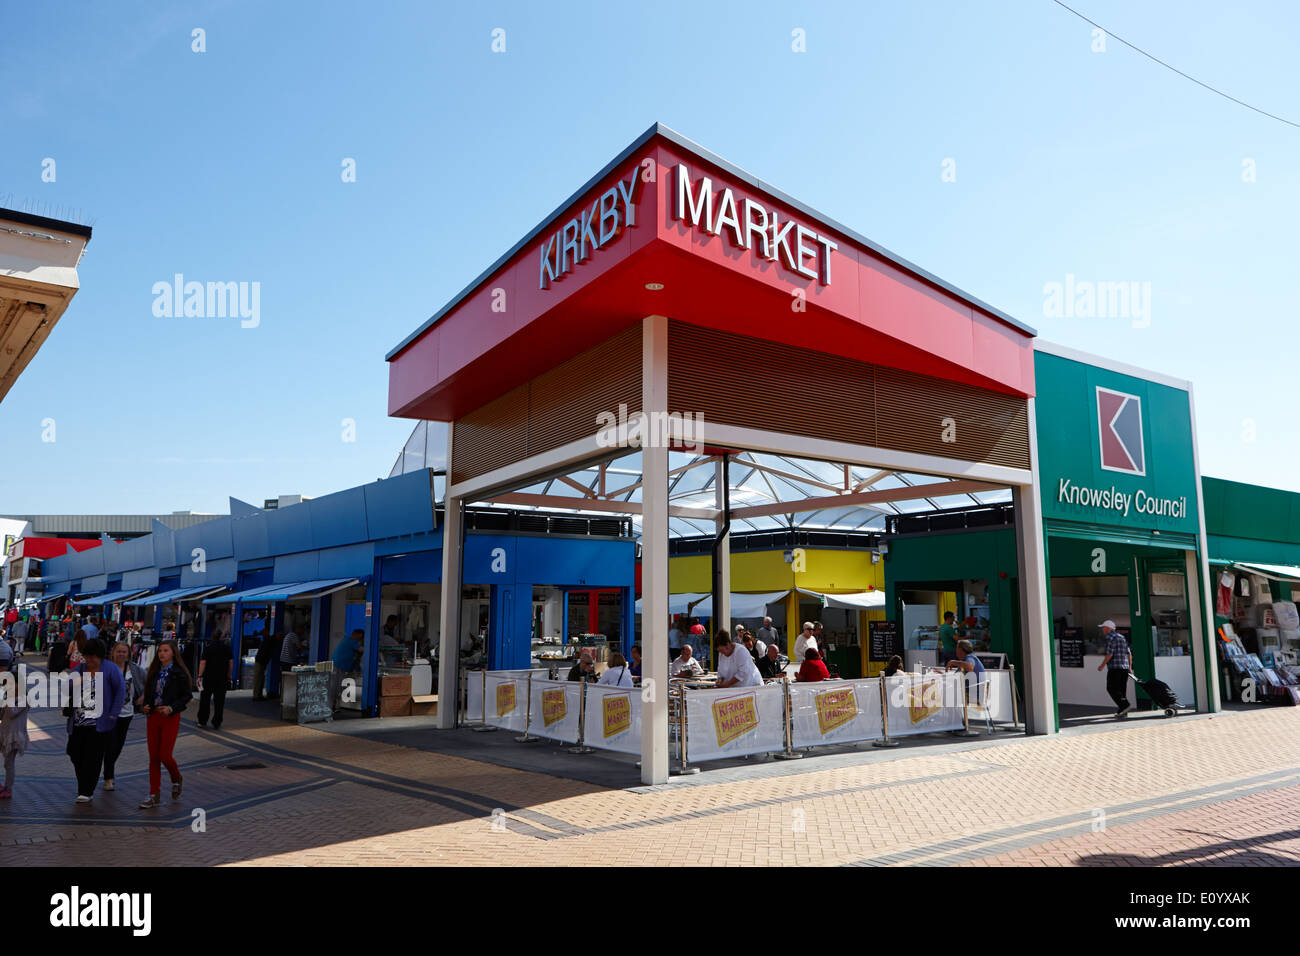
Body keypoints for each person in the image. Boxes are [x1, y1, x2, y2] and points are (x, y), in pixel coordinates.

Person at [66, 638, 126, 804]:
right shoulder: (80, 669)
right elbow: (68, 689)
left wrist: (113, 714)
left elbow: (120, 692)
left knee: (93, 757)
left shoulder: (110, 669)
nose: (90, 660)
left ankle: (86, 790)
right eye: (87, 656)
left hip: (99, 723)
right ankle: (84, 786)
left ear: (100, 656)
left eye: (93, 657)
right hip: (78, 721)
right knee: (74, 753)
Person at [138, 639, 192, 809]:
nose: (162, 653)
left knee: (165, 755)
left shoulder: (179, 672)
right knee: (154, 757)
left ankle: (176, 778)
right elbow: (148, 693)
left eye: (166, 650)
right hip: (153, 716)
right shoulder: (154, 672)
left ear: (173, 653)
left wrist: (171, 708)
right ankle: (154, 794)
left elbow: (186, 696)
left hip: (169, 717)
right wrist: (146, 706)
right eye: (160, 650)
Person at [102, 641, 146, 792]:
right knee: (110, 745)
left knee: (118, 746)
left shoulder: (135, 669)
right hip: (109, 714)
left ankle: (108, 770)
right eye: (119, 651)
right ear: (113, 653)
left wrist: (143, 697)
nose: (121, 654)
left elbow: (148, 683)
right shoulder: (106, 668)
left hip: (127, 713)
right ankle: (109, 777)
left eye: (124, 652)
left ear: (129, 654)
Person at [0, 654, 29, 799]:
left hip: (14, 736)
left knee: (8, 763)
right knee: (6, 762)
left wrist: (8, 697)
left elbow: (12, 713)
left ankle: (8, 787)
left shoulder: (23, 699)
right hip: (4, 732)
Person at [197, 629, 234, 730]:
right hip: (222, 678)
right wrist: (229, 675)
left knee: (205, 699)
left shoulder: (208, 648)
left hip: (208, 677)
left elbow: (203, 662)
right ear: (221, 637)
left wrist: (200, 675)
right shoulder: (227, 648)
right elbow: (231, 663)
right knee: (219, 701)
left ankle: (202, 720)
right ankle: (217, 722)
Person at [1096, 620, 1132, 717]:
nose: (1102, 629)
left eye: (1103, 627)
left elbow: (1109, 654)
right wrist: (1130, 667)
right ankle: (1123, 712)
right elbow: (1129, 653)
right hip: (1124, 668)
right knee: (1121, 690)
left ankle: (1125, 705)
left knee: (1111, 688)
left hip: (1115, 668)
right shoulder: (1122, 637)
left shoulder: (1110, 637)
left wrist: (1102, 666)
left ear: (1108, 628)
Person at [330, 629, 365, 710]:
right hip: (339, 666)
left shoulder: (346, 640)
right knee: (337, 686)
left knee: (337, 685)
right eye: (361, 637)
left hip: (338, 665)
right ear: (358, 635)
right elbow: (362, 650)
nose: (360, 639)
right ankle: (333, 706)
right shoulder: (352, 641)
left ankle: (335, 705)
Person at [252, 630, 279, 701]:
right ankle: (256, 696)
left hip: (261, 661)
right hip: (261, 661)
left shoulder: (268, 640)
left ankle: (258, 695)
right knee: (258, 679)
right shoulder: (270, 641)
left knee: (260, 678)